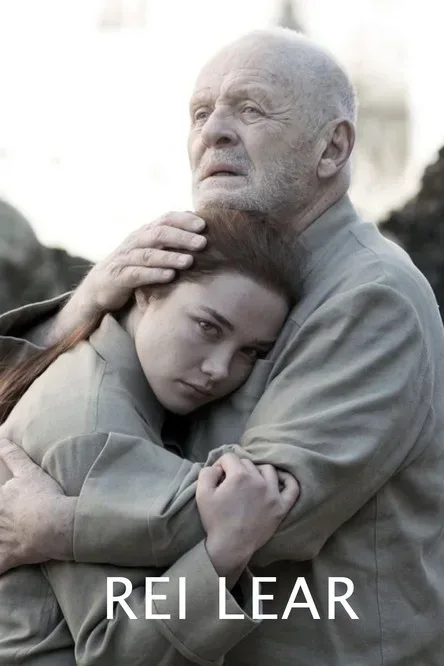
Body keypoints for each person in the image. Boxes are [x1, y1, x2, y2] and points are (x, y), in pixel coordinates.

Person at [1, 26, 444, 666]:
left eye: (251, 109)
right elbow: (45, 410)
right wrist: (84, 305)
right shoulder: (193, 261)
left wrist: (55, 524)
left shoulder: (371, 297)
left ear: (333, 148)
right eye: (200, 113)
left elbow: (262, 510)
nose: (214, 132)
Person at [0, 207, 300, 665]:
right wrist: (223, 553)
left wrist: (59, 526)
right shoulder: (92, 427)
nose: (219, 369)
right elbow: (116, 651)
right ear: (145, 291)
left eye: (250, 352)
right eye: (208, 327)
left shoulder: (105, 377)